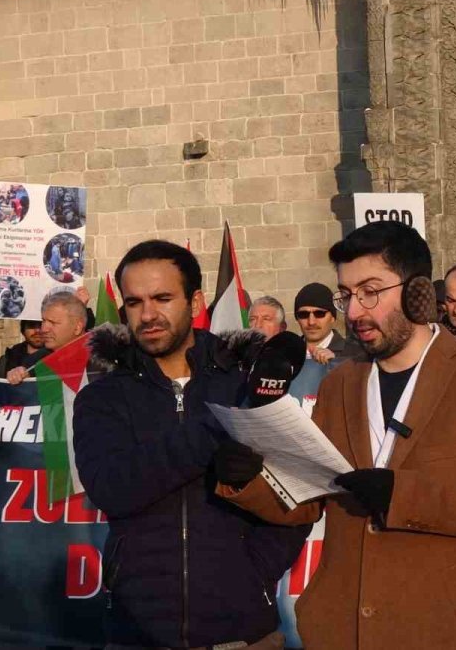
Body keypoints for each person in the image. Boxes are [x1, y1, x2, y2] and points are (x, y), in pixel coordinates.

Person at [214, 221, 456, 649]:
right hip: (339, 632)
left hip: (440, 633)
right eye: (346, 295)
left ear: (417, 293)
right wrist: (245, 480)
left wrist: (401, 496)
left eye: (370, 291)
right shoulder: (340, 384)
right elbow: (307, 500)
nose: (353, 312)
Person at [73, 240, 310, 649]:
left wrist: (254, 573)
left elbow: (299, 496)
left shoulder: (244, 386)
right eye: (134, 302)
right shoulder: (101, 397)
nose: (148, 315)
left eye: (163, 298)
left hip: (245, 634)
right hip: (139, 632)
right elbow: (112, 488)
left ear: (196, 301)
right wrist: (212, 433)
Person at [293, 282, 356, 366]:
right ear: (297, 318)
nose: (311, 322)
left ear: (333, 318)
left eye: (320, 314)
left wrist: (337, 363)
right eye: (303, 314)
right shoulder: (285, 354)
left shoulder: (355, 355)